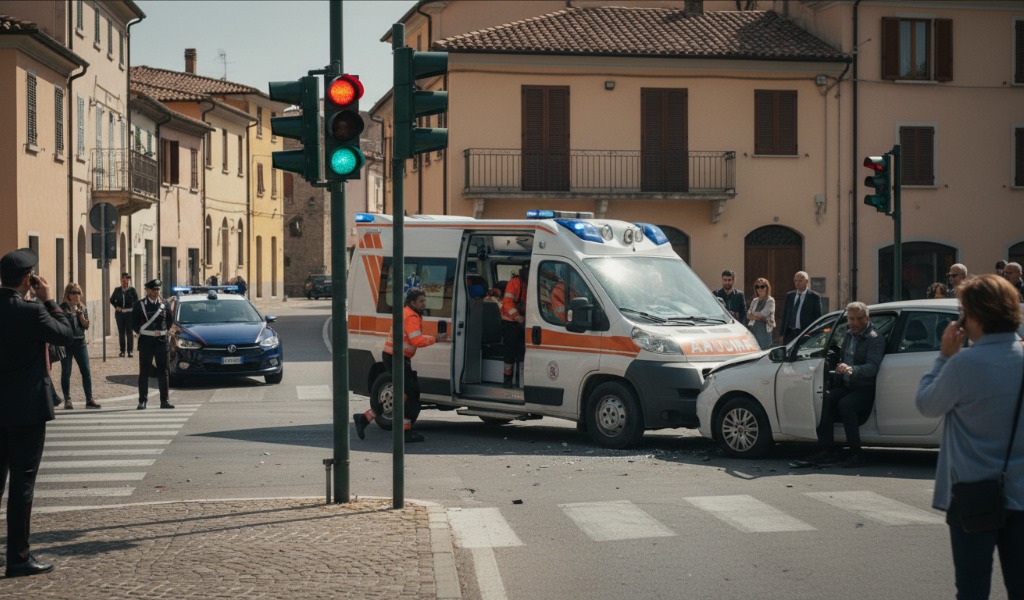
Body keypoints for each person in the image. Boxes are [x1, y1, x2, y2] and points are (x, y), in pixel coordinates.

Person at [915, 274, 1024, 599]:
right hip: (1021, 494)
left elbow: (926, 404)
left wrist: (944, 356)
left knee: (973, 588)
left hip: (972, 493)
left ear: (974, 317)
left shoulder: (964, 364)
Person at [0, 248, 74, 577]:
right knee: (22, 485)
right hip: (26, 409)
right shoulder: (31, 311)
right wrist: (49, 300)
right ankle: (18, 557)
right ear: (28, 279)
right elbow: (66, 333)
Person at [792, 302, 885, 469]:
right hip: (847, 385)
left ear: (867, 318)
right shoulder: (849, 335)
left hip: (865, 388)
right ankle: (826, 450)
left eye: (858, 319)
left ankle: (855, 453)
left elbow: (873, 366)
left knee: (845, 404)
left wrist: (852, 369)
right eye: (851, 319)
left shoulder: (874, 338)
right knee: (825, 399)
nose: (854, 323)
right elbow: (843, 355)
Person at [353, 288, 448, 443]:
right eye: (421, 301)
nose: (424, 304)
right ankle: (405, 432)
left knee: (403, 394)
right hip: (397, 358)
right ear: (412, 302)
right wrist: (435, 339)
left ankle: (365, 418)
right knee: (412, 395)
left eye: (424, 300)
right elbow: (416, 340)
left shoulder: (407, 312)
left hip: (394, 357)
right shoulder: (411, 316)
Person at [132, 279, 174, 410]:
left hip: (161, 342)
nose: (157, 292)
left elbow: (169, 321)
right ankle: (142, 401)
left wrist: (162, 332)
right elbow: (134, 323)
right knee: (144, 372)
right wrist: (145, 332)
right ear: (147, 290)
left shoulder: (164, 303)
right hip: (146, 342)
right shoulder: (139, 305)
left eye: (158, 289)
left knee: (164, 371)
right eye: (154, 289)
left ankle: (164, 400)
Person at [58, 283, 100, 410]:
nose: (76, 295)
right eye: (73, 292)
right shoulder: (62, 308)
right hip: (66, 344)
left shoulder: (82, 307)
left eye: (78, 292)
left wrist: (80, 315)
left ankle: (89, 399)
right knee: (66, 372)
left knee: (86, 371)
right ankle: (67, 400)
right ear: (68, 295)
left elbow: (86, 326)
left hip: (80, 343)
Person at [501, 264, 529, 387]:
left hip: (524, 323)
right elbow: (507, 303)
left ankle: (521, 380)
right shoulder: (514, 282)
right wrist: (517, 316)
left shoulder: (533, 282)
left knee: (522, 352)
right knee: (510, 352)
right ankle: (507, 380)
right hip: (510, 322)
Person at [780, 271, 823, 344]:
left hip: (805, 333)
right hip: (790, 333)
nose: (797, 283)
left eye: (800, 280)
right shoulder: (790, 296)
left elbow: (818, 317)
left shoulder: (814, 297)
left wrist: (815, 334)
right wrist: (782, 334)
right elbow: (785, 315)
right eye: (795, 280)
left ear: (806, 281)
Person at [109, 272, 138, 358]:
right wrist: (116, 307)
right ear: (121, 280)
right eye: (123, 281)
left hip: (129, 314)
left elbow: (136, 301)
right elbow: (111, 300)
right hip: (120, 314)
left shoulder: (132, 290)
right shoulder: (117, 290)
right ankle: (122, 351)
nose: (125, 283)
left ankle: (130, 351)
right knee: (121, 333)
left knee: (129, 333)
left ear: (128, 281)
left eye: (126, 281)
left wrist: (132, 307)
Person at [746, 277, 776, 350]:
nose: (760, 289)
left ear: (767, 288)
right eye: (757, 287)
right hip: (754, 330)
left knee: (764, 351)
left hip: (764, 330)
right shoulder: (754, 300)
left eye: (762, 286)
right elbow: (748, 315)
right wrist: (757, 317)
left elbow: (763, 314)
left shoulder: (770, 300)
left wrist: (753, 314)